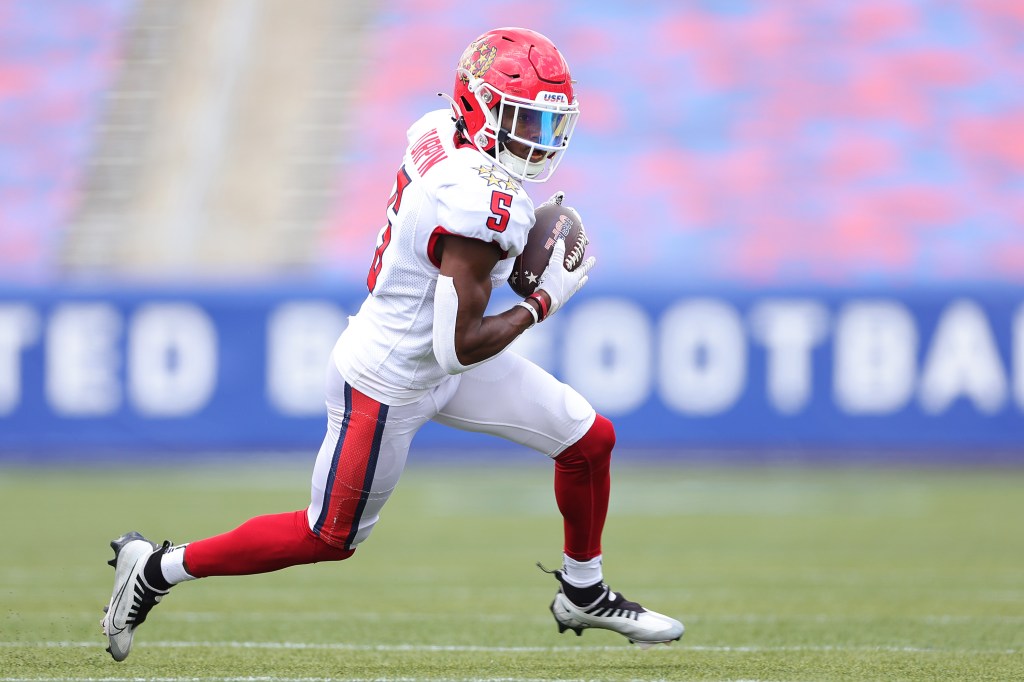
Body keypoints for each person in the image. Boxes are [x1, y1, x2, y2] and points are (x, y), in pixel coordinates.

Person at [101, 26, 684, 662]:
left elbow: (456, 341)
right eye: (523, 122)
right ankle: (157, 568)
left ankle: (584, 591)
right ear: (479, 107)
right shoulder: (477, 202)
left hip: (438, 359)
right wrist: (542, 302)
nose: (537, 144)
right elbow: (458, 347)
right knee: (328, 536)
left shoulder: (441, 130)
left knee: (589, 440)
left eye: (548, 127)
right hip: (389, 380)